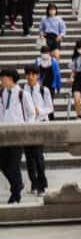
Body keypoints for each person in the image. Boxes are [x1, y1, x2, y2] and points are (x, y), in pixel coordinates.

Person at [0, 67, 36, 202]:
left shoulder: (22, 94)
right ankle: (18, 184)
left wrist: (26, 129)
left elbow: (32, 113)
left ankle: (15, 194)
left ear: (9, 79)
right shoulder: (2, 93)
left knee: (13, 165)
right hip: (3, 134)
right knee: (3, 164)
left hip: (17, 135)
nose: (1, 81)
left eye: (2, 78)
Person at [23, 65, 51, 194]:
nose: (30, 77)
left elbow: (50, 108)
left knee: (38, 156)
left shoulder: (43, 90)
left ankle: (42, 184)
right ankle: (33, 183)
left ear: (37, 75)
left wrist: (38, 110)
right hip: (26, 126)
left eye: (33, 74)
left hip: (40, 125)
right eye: (28, 74)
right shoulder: (22, 90)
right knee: (29, 158)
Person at [37, 45, 60, 116]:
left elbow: (57, 75)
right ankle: (43, 115)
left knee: (50, 101)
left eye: (46, 52)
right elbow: (36, 73)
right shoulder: (38, 61)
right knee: (41, 100)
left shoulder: (53, 61)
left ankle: (51, 115)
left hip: (51, 84)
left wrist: (58, 86)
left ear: (49, 53)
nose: (44, 54)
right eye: (43, 52)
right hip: (41, 84)